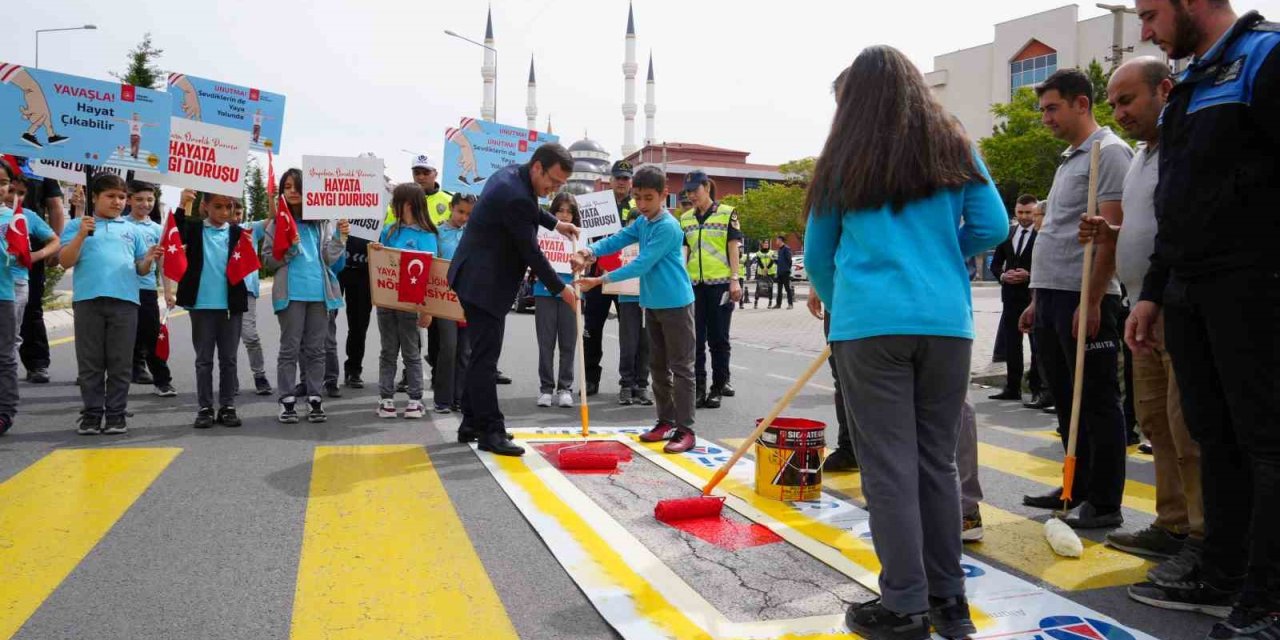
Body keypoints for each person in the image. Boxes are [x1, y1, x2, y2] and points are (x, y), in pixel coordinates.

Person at [804, 46, 1007, 640]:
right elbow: (993, 226)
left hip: (870, 326)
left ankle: (904, 606)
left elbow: (817, 255)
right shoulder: (954, 143)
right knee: (936, 463)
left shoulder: (843, 157)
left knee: (888, 468)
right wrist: (944, 253)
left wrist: (847, 306)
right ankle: (951, 603)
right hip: (947, 323)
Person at [1127, 3, 1280, 636]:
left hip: (1254, 283)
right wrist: (1154, 291)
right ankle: (1221, 570)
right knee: (1214, 438)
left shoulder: (1266, 57)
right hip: (1190, 289)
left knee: (1267, 442)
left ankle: (1268, 597)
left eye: (1152, 12)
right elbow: (1177, 198)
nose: (1144, 30)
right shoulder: (1190, 81)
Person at [1075, 53, 1208, 606]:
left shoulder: (1184, 145)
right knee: (1153, 420)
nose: (1119, 112)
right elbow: (1143, 227)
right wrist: (1110, 230)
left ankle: (1205, 538)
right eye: (1114, 103)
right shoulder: (1144, 157)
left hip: (1178, 306)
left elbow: (1184, 227)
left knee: (1188, 427)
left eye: (1127, 100)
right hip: (1142, 307)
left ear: (1164, 90)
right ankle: (1171, 523)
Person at [1017, 68, 1132, 530]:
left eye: (1052, 108)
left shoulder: (1110, 153)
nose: (1045, 118)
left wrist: (1092, 300)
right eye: (1043, 109)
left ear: (1081, 104)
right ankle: (1075, 486)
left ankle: (1105, 502)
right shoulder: (1070, 157)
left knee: (1098, 400)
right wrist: (1035, 300)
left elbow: (1110, 236)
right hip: (1052, 295)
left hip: (1085, 296)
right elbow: (1059, 232)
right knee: (1066, 398)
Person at [447, 143, 580, 456]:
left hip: (476, 277)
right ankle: (491, 431)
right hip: (483, 285)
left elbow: (530, 209)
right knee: (485, 360)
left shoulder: (510, 175)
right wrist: (561, 289)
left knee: (481, 355)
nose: (554, 189)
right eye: (554, 181)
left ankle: (470, 422)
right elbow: (531, 252)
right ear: (537, 168)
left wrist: (556, 223)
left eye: (562, 186)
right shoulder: (516, 194)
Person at [575, 165, 697, 453]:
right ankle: (665, 421)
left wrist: (600, 279)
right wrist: (589, 251)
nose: (642, 205)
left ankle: (686, 429)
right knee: (657, 366)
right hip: (652, 304)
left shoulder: (668, 226)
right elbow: (618, 238)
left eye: (648, 198)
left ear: (664, 195)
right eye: (638, 198)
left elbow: (642, 263)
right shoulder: (643, 222)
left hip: (677, 304)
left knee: (681, 369)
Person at [58, 173, 162, 435]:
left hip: (125, 303)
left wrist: (148, 259)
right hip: (88, 302)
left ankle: (116, 414)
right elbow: (65, 261)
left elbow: (140, 269)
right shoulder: (77, 225)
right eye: (110, 196)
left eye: (121, 197)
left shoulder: (131, 230)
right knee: (90, 362)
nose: (117, 202)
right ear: (95, 198)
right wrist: (82, 234)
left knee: (120, 362)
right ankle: (92, 414)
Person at [262, 168, 348, 424]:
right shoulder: (277, 223)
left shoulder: (322, 223)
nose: (292, 191)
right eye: (287, 187)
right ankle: (287, 401)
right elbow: (268, 260)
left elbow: (329, 260)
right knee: (289, 349)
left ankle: (314, 399)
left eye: (297, 186)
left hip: (320, 295)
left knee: (316, 350)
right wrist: (287, 249)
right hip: (291, 295)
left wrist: (341, 238)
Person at [173, 190, 249, 428]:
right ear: (205, 206)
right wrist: (183, 203)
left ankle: (227, 405)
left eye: (229, 207)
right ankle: (205, 407)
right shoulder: (195, 230)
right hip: (202, 305)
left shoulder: (238, 233)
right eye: (218, 207)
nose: (224, 212)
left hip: (230, 306)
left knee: (229, 359)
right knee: (204, 360)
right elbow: (175, 231)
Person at [369, 183, 437, 419]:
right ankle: (386, 398)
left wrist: (427, 310)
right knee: (388, 351)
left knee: (411, 352)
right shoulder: (388, 231)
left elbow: (431, 275)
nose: (391, 205)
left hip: (411, 304)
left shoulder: (428, 235)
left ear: (407, 204)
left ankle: (415, 399)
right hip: (387, 302)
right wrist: (376, 250)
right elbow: (380, 265)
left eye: (394, 201)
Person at [681, 170, 742, 409]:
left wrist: (735, 279)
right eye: (688, 192)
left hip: (720, 285)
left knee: (719, 339)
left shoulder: (727, 213)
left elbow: (733, 247)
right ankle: (698, 388)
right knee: (695, 340)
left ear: (706, 187)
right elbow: (684, 253)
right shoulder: (685, 219)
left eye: (695, 190)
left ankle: (718, 386)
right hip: (694, 286)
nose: (691, 196)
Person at [390, 155, 452, 393]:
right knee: (410, 331)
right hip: (407, 274)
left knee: (437, 332)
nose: (421, 176)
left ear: (435, 173)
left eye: (426, 172)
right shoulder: (401, 201)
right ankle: (409, 374)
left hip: (440, 275)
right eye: (417, 171)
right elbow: (389, 232)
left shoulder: (448, 200)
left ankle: (439, 375)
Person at [581, 161, 635, 397]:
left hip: (626, 278)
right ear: (610, 180)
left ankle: (629, 381)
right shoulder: (597, 204)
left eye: (626, 178)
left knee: (631, 333)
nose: (622, 182)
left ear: (630, 181)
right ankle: (590, 379)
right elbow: (583, 235)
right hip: (597, 276)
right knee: (592, 330)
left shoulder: (637, 207)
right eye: (618, 178)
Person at [1, 163, 60, 378]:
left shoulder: (28, 216)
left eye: (21, 193)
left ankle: (26, 367)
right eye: (9, 188)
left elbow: (54, 239)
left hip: (17, 282)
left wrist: (36, 256)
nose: (13, 195)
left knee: (14, 330)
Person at [122, 181, 175, 396]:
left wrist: (168, 291)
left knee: (152, 336)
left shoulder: (158, 230)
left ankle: (162, 381)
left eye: (150, 200)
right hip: (122, 288)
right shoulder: (121, 225)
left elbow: (164, 264)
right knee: (121, 338)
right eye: (140, 199)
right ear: (129, 200)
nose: (145, 204)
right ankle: (113, 383)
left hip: (146, 290)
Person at [988, 194, 1040, 402]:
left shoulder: (1042, 234)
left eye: (1029, 213)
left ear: (1036, 212)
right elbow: (995, 263)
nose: (1024, 217)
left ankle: (1038, 389)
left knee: (1037, 345)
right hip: (1010, 297)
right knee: (1012, 344)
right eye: (1020, 212)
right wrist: (1003, 275)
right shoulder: (1007, 234)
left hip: (1033, 298)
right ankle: (1012, 388)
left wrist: (1029, 275)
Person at [17, 165, 65, 385]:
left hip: (30, 249)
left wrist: (54, 247)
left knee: (31, 306)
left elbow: (55, 206)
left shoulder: (41, 165)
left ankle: (37, 363)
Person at [534, 193, 580, 409]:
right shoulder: (542, 233)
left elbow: (585, 266)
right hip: (545, 292)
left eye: (569, 212)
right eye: (560, 210)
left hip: (572, 292)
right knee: (546, 343)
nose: (564, 215)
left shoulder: (580, 237)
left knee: (568, 342)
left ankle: (565, 388)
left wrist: (587, 260)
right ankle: (545, 388)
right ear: (552, 213)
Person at [808, 292, 860, 473]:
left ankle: (853, 451)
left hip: (855, 302)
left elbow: (817, 264)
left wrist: (820, 286)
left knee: (851, 379)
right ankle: (849, 450)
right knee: (844, 378)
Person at [433, 192, 474, 413]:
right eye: (460, 212)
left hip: (468, 298)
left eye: (469, 214)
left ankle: (460, 397)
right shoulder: (438, 233)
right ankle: (443, 399)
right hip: (444, 297)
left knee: (465, 350)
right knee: (448, 347)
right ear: (451, 207)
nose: (464, 218)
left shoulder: (475, 234)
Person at [231, 200, 273, 396]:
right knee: (228, 338)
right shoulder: (218, 231)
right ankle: (230, 377)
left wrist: (271, 196)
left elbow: (273, 219)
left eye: (239, 212)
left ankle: (260, 375)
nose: (235, 216)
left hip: (247, 290)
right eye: (232, 212)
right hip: (224, 292)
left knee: (249, 335)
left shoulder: (250, 229)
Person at [616, 202, 652, 407]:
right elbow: (609, 264)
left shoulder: (652, 244)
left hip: (648, 299)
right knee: (628, 345)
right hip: (627, 299)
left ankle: (642, 385)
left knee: (646, 345)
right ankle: (626, 385)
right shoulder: (622, 244)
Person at [1025, 201, 1055, 412]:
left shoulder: (1052, 238)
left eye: (1035, 215)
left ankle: (1051, 394)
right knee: (1041, 352)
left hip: (1054, 301)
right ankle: (1046, 392)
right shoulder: (1039, 238)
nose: (1032, 219)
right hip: (1038, 300)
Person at [0, 175, 22, 436]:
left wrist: (28, 256)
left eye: (3, 181)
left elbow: (51, 240)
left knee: (4, 357)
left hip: (4, 295)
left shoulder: (16, 218)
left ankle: (5, 412)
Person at [772, 235, 794, 309]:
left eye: (777, 240)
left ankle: (790, 304)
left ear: (781, 240)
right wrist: (774, 260)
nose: (776, 241)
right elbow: (780, 262)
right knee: (779, 289)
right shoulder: (780, 250)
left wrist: (787, 269)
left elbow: (789, 260)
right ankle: (778, 304)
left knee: (787, 289)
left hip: (785, 272)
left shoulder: (786, 249)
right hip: (779, 272)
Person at [754, 239, 775, 310]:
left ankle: (770, 302)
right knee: (759, 287)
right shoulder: (758, 253)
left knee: (770, 287)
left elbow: (772, 261)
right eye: (765, 243)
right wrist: (763, 268)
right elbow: (759, 262)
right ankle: (756, 302)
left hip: (770, 272)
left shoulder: (772, 252)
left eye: (767, 243)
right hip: (761, 272)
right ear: (762, 245)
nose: (766, 244)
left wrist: (767, 268)